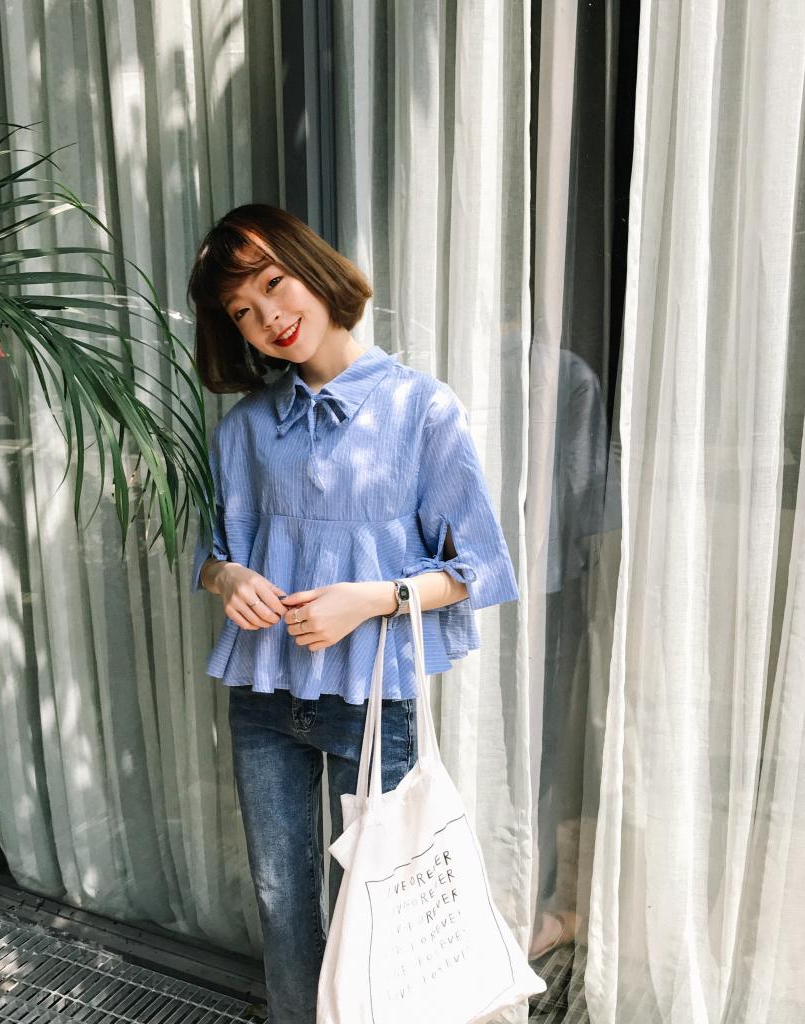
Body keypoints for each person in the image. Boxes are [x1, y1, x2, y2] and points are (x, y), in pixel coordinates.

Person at [187, 204, 519, 1024]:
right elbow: (213, 556)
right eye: (243, 311)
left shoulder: (421, 410)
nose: (269, 317)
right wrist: (229, 579)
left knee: (372, 908)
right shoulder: (245, 431)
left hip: (372, 703)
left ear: (312, 268)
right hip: (264, 697)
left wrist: (371, 599)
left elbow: (478, 568)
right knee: (281, 905)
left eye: (274, 283)